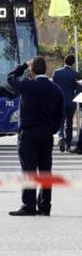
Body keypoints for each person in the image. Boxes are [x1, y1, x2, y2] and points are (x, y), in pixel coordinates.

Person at [7, 56, 64, 216]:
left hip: (29, 133)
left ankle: (29, 205)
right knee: (46, 170)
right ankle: (45, 205)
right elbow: (60, 114)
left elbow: (11, 78)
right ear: (46, 70)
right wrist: (52, 129)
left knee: (29, 169)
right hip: (46, 133)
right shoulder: (56, 89)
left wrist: (23, 65)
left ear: (32, 71)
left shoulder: (28, 86)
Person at [51, 54, 80, 152]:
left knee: (60, 121)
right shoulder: (75, 74)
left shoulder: (56, 73)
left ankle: (60, 136)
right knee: (69, 122)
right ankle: (68, 144)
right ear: (73, 63)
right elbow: (78, 90)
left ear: (64, 61)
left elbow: (53, 87)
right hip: (71, 102)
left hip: (59, 101)